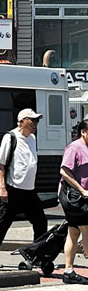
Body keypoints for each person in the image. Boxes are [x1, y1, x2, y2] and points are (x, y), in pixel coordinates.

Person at [0, 108, 48, 268]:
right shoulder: (10, 137)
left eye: (37, 120)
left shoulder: (32, 138)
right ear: (22, 121)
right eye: (33, 120)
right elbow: (0, 164)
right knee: (3, 223)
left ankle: (36, 255)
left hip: (29, 190)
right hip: (13, 189)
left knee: (41, 222)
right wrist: (2, 188)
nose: (35, 124)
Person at [58, 119, 88, 284]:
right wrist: (81, 190)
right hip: (75, 198)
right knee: (85, 229)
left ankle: (68, 271)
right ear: (83, 132)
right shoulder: (75, 147)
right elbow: (64, 170)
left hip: (83, 198)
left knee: (74, 231)